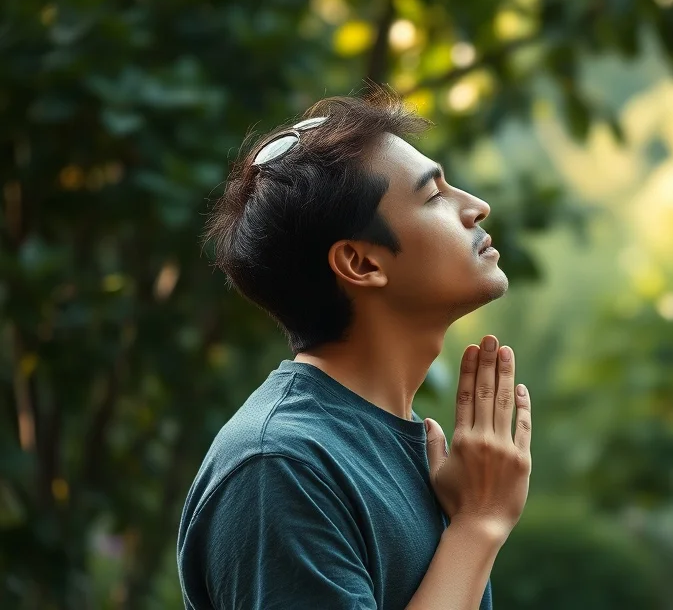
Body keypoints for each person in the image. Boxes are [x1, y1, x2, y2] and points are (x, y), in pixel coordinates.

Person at [176, 87, 531, 609]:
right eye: (434, 196)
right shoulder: (278, 466)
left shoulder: (402, 452)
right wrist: (478, 525)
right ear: (361, 264)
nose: (476, 207)